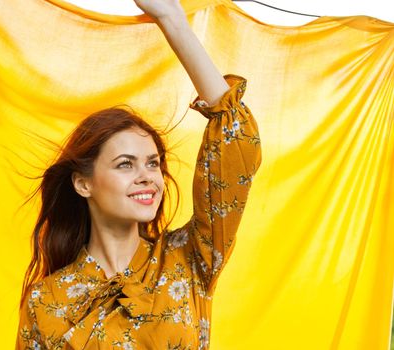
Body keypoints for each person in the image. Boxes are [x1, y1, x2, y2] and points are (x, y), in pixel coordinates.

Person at [16, 0, 262, 348]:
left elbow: (236, 144)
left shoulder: (187, 259)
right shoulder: (46, 301)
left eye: (153, 163)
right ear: (83, 183)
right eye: (125, 164)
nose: (148, 176)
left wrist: (171, 19)